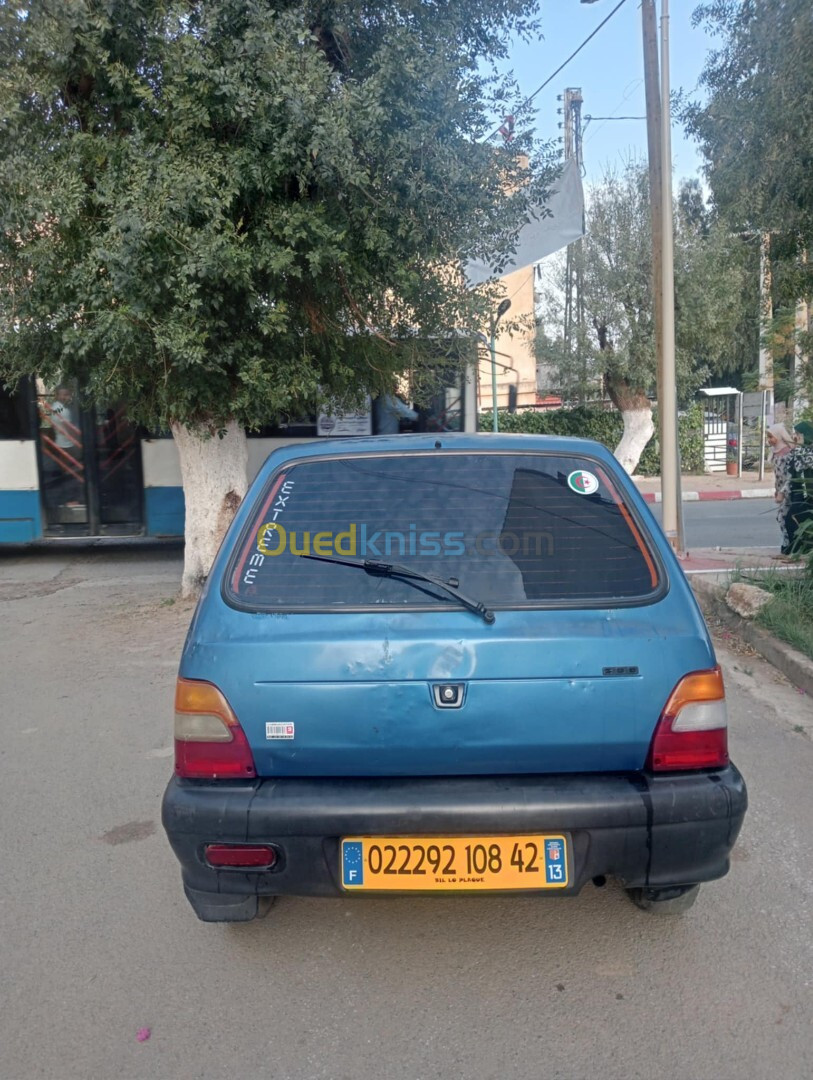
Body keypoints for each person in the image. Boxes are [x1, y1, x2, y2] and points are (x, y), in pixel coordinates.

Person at [768, 423, 801, 555]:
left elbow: (790, 475)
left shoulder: (788, 453)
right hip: (781, 490)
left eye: (771, 437)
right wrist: (777, 490)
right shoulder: (775, 452)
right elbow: (778, 475)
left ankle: (789, 545)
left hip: (790, 491)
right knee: (783, 517)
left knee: (782, 517)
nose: (769, 440)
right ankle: (788, 545)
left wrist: (782, 492)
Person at [786, 421, 813, 553]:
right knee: (795, 520)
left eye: (798, 434)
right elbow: (791, 467)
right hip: (798, 492)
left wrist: (797, 448)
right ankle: (798, 548)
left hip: (807, 493)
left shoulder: (807, 451)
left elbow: (802, 465)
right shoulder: (799, 450)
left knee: (792, 519)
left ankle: (799, 549)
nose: (795, 437)